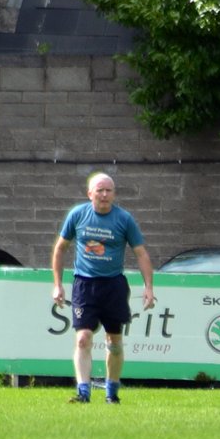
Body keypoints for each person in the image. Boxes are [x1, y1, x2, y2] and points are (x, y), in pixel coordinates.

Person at [51, 171, 156, 404]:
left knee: (114, 342)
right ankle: (83, 392)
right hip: (84, 284)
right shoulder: (78, 215)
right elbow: (60, 248)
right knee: (83, 338)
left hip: (113, 286)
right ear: (90, 194)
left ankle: (111, 392)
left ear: (114, 194)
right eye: (100, 190)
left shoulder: (124, 219)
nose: (105, 195)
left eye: (109, 190)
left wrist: (149, 287)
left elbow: (140, 253)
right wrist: (57, 285)